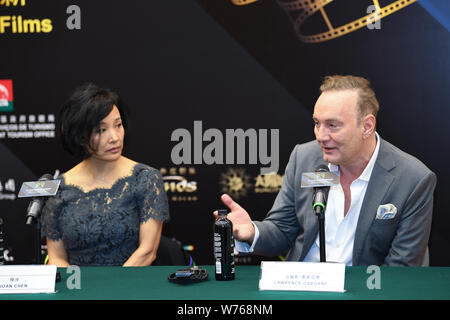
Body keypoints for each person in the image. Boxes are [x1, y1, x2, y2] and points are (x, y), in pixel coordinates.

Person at [216, 75, 436, 266]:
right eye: (317, 123)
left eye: (333, 125)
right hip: (303, 287)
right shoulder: (304, 157)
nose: (321, 136)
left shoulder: (412, 179)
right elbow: (283, 229)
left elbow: (402, 265)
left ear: (367, 126)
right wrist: (252, 232)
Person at [41, 83, 170, 267]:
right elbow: (56, 258)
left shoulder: (145, 178)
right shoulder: (60, 189)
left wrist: (112, 290)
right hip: (77, 291)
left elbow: (147, 251)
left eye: (118, 125)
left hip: (129, 288)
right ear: (80, 136)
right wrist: (78, 290)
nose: (114, 137)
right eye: (101, 130)